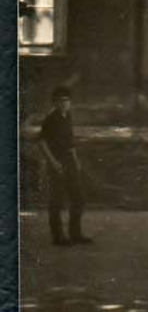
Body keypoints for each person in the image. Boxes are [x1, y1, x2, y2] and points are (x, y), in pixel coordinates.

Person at [39, 86, 90, 247]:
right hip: (57, 162)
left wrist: (75, 160)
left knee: (79, 198)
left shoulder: (67, 116)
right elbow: (41, 142)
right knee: (57, 200)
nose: (63, 103)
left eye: (66, 100)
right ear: (54, 103)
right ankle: (58, 237)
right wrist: (53, 162)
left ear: (70, 103)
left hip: (69, 161)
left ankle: (75, 234)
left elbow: (70, 142)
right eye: (60, 101)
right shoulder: (50, 119)